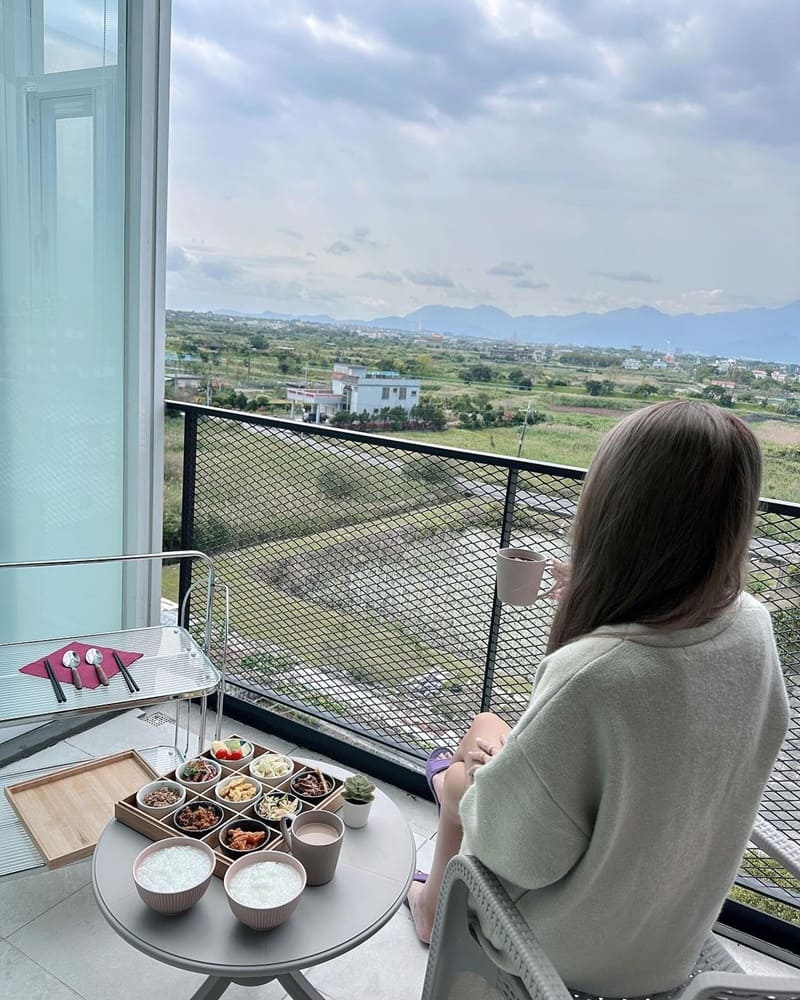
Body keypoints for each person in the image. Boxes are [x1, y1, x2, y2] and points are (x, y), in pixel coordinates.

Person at [405, 400, 789, 998]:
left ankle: (430, 906)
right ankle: (437, 873)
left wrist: (484, 782)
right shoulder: (754, 627)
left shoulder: (599, 674)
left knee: (458, 779)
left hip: (567, 952)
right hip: (673, 931)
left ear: (616, 514)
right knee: (484, 737)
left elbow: (513, 856)